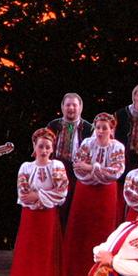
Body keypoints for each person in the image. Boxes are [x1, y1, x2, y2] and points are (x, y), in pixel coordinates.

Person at [6, 128, 67, 276]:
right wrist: (43, 196)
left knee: (46, 254)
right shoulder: (26, 167)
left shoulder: (57, 166)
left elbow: (61, 191)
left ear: (52, 148)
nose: (44, 150)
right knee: (27, 253)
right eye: (41, 146)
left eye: (48, 147)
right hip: (31, 217)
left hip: (48, 217)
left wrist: (39, 196)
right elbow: (24, 193)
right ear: (35, 146)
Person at [63, 112, 125, 276]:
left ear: (111, 129)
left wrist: (92, 167)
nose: (100, 131)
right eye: (98, 127)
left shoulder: (117, 147)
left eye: (105, 128)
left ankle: (102, 275)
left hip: (106, 192)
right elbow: (78, 165)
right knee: (82, 230)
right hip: (86, 191)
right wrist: (98, 171)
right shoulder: (87, 143)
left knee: (103, 231)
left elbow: (115, 171)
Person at [46, 93, 93, 222]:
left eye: (74, 105)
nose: (71, 108)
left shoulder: (89, 128)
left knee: (74, 209)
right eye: (68, 105)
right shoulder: (53, 126)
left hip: (77, 173)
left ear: (80, 108)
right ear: (62, 107)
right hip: (55, 171)